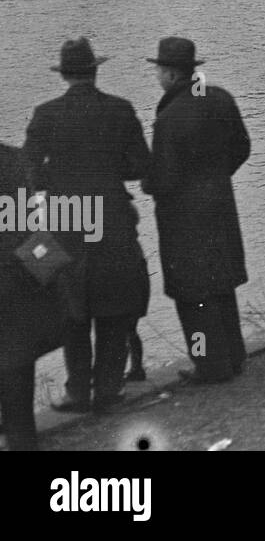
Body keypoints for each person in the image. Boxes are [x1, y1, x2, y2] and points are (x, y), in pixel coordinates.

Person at [24, 38, 151, 414]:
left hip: (66, 218)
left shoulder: (45, 114)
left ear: (64, 75)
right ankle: (109, 388)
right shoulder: (121, 110)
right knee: (114, 301)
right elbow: (140, 165)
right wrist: (110, 172)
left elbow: (29, 172)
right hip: (112, 218)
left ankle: (77, 391)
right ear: (95, 71)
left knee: (71, 306)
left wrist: (58, 178)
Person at [142, 37, 250, 385]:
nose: (157, 76)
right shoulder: (220, 98)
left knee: (193, 297)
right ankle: (234, 356)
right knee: (222, 286)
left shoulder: (168, 120)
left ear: (172, 74)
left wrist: (147, 183)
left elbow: (164, 179)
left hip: (184, 219)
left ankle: (209, 364)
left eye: (158, 70)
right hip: (220, 205)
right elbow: (242, 147)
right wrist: (218, 176)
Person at [0, 143, 70, 451]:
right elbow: (27, 228)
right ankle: (21, 437)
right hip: (13, 276)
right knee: (16, 362)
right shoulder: (13, 159)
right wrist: (53, 269)